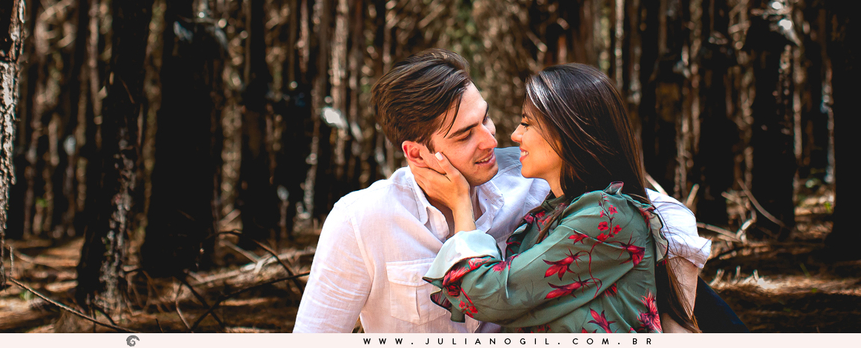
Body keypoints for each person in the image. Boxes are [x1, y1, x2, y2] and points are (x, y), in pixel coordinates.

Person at [292, 49, 711, 333]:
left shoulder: (528, 176)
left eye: (486, 119)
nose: (494, 139)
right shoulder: (361, 219)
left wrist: (660, 265)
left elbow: (655, 208)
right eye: (465, 135)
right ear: (416, 152)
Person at [418, 63, 696, 332]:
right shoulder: (555, 213)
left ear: (568, 133)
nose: (514, 135)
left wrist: (461, 204)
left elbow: (488, 297)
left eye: (526, 123)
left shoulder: (608, 217)